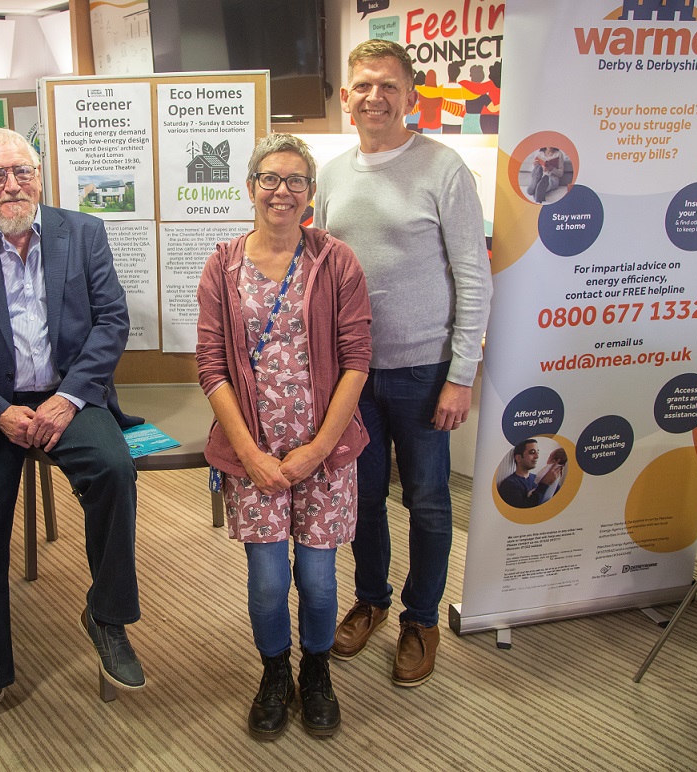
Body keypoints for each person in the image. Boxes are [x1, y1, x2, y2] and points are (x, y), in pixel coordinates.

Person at [0, 128, 144, 751]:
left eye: (21, 171)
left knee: (114, 472)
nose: (11, 185)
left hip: (69, 395)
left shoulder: (83, 232)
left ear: (40, 174)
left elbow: (112, 322)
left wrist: (67, 399)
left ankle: (107, 616)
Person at [314, 39, 493, 688]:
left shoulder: (443, 168)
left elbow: (475, 278)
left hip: (423, 371)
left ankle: (421, 617)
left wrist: (461, 375)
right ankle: (371, 600)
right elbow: (320, 280)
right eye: (363, 85)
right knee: (361, 498)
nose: (375, 97)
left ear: (410, 96)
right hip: (351, 378)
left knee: (427, 501)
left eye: (388, 85)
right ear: (346, 97)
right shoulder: (330, 175)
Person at [197, 133, 372, 739]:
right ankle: (275, 673)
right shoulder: (221, 267)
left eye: (297, 181)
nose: (282, 191)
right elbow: (211, 366)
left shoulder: (336, 260)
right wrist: (249, 454)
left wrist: (318, 450)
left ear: (311, 196)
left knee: (320, 581)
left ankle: (316, 671)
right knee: (269, 580)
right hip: (254, 457)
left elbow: (357, 360)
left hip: (324, 454)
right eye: (271, 178)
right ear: (250, 188)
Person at [497, 440, 563, 508]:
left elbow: (559, 499)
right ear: (518, 458)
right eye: (532, 452)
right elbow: (524, 511)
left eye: (538, 452)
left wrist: (554, 479)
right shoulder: (509, 485)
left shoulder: (538, 478)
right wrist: (544, 484)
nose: (537, 456)